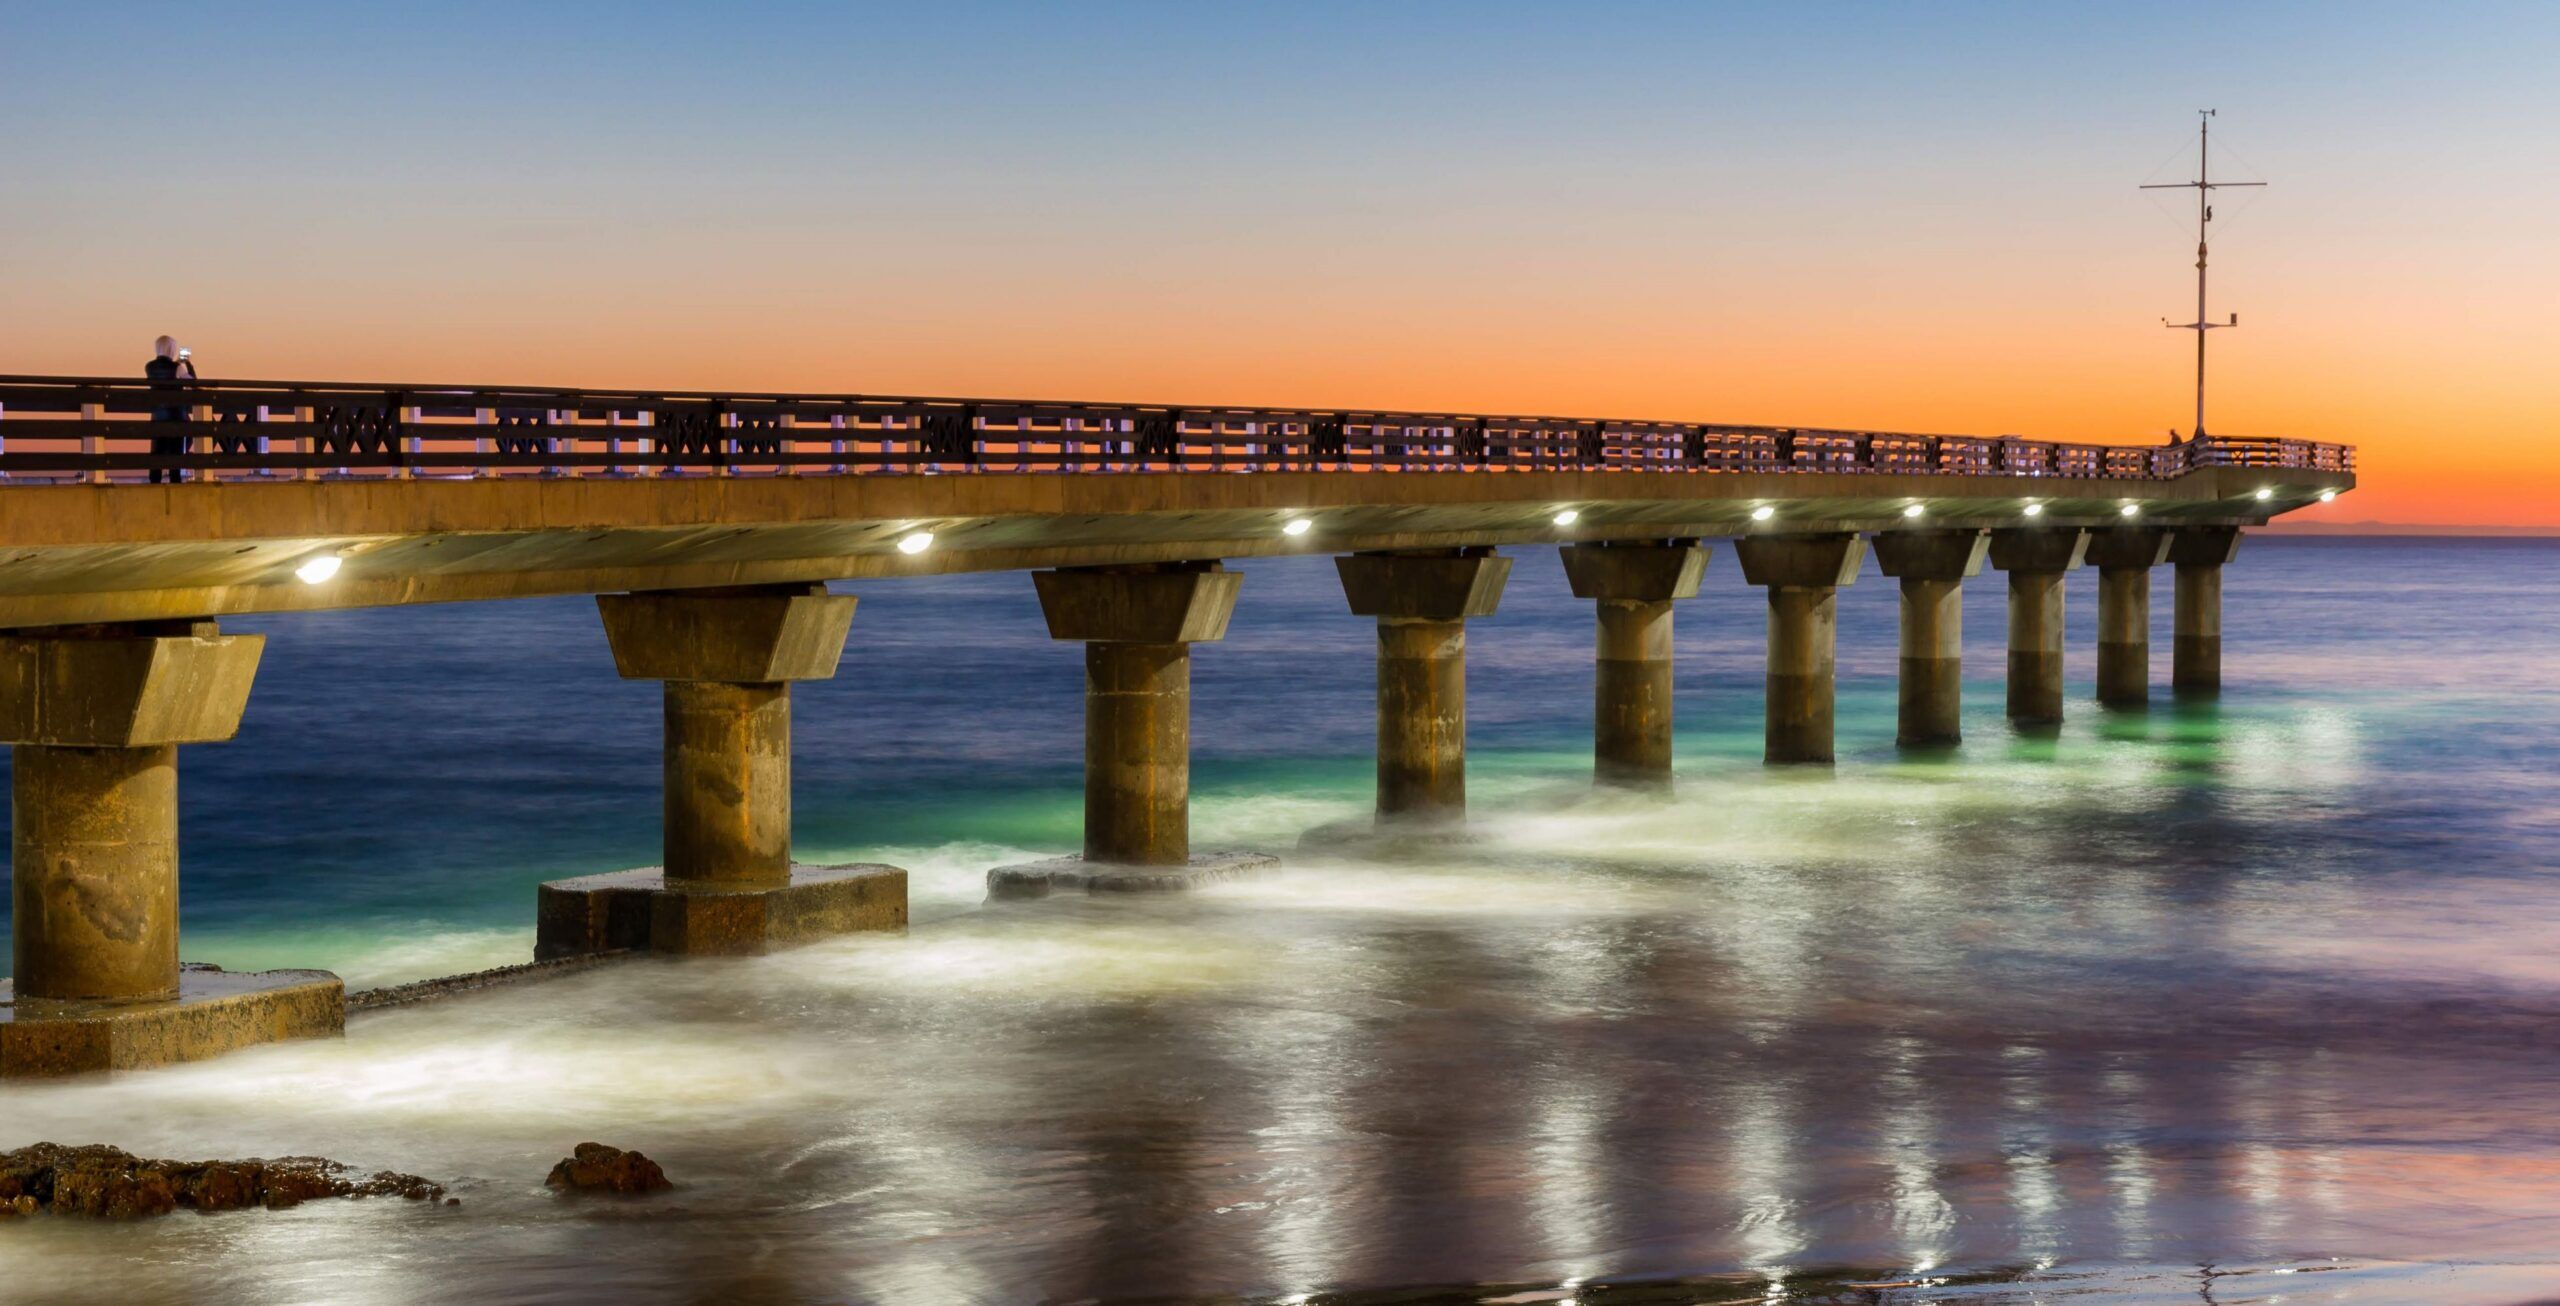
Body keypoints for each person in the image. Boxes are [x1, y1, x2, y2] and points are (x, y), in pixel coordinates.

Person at [145, 336, 197, 483]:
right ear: (172, 349)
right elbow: (193, 383)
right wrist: (188, 364)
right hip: (176, 416)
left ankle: (154, 480)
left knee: (157, 450)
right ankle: (175, 479)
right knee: (177, 450)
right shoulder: (176, 368)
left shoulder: (149, 367)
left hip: (157, 416)